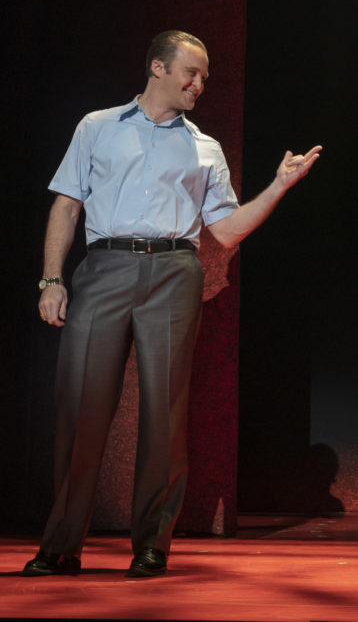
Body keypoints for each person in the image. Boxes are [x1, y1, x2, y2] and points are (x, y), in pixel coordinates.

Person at [23, 30, 321, 578]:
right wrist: (51, 279)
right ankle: (61, 543)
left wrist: (279, 186)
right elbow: (66, 206)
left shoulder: (203, 147)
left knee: (165, 412)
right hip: (104, 266)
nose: (200, 84)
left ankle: (152, 543)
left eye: (205, 76)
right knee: (80, 409)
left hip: (174, 271)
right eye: (192, 73)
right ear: (157, 67)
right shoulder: (97, 127)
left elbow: (227, 233)